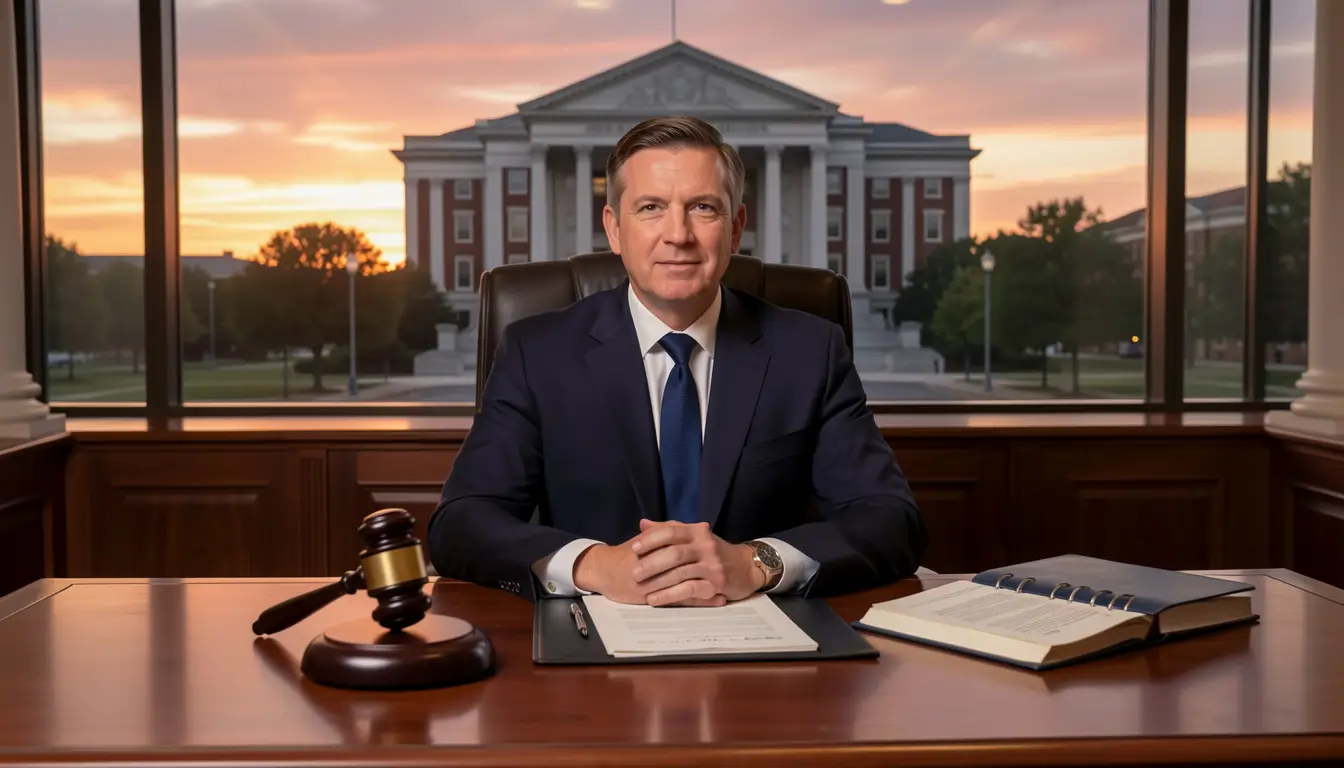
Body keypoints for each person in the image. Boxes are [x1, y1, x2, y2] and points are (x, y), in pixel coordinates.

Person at [428, 116, 926, 606]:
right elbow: (462, 522)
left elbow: (890, 519)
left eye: (703, 208)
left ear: (735, 230)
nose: (678, 234)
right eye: (650, 207)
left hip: (768, 647)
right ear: (615, 229)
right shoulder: (537, 353)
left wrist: (757, 563)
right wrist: (595, 566)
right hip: (592, 646)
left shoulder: (809, 351)